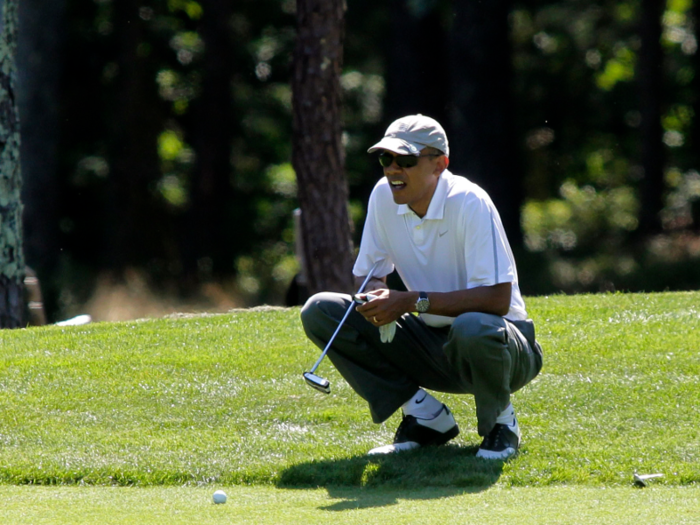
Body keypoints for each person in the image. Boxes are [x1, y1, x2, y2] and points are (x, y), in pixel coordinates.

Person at [300, 114, 543, 459]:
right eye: (387, 159)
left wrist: (411, 301)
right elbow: (369, 274)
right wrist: (374, 298)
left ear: (440, 164)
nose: (393, 170)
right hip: (432, 345)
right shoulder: (384, 197)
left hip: (502, 347)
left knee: (473, 325)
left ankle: (501, 425)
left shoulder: (469, 202)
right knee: (321, 310)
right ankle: (425, 417)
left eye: (407, 160)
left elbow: (497, 300)